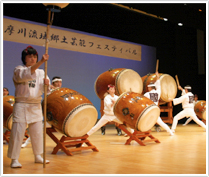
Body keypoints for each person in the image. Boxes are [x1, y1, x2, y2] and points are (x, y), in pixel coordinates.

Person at [7, 46, 51, 168]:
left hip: (36, 105)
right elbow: (25, 75)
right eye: (30, 56)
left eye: (35, 57)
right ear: (24, 58)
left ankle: (38, 156)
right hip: (21, 104)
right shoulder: (18, 70)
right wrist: (41, 61)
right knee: (18, 132)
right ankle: (14, 159)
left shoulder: (42, 72)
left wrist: (47, 85)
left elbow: (46, 91)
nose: (32, 59)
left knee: (37, 132)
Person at [21, 76, 63, 148]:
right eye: (57, 82)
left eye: (60, 82)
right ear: (53, 83)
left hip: (61, 116)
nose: (59, 84)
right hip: (51, 117)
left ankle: (77, 142)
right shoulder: (49, 91)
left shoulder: (62, 91)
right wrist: (48, 87)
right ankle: (27, 142)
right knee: (39, 129)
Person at [144, 71, 174, 136]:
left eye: (148, 87)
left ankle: (134, 132)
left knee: (143, 121)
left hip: (150, 110)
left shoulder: (147, 94)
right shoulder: (158, 93)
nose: (148, 88)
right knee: (160, 122)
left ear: (150, 88)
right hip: (155, 109)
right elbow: (159, 85)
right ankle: (170, 131)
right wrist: (157, 76)